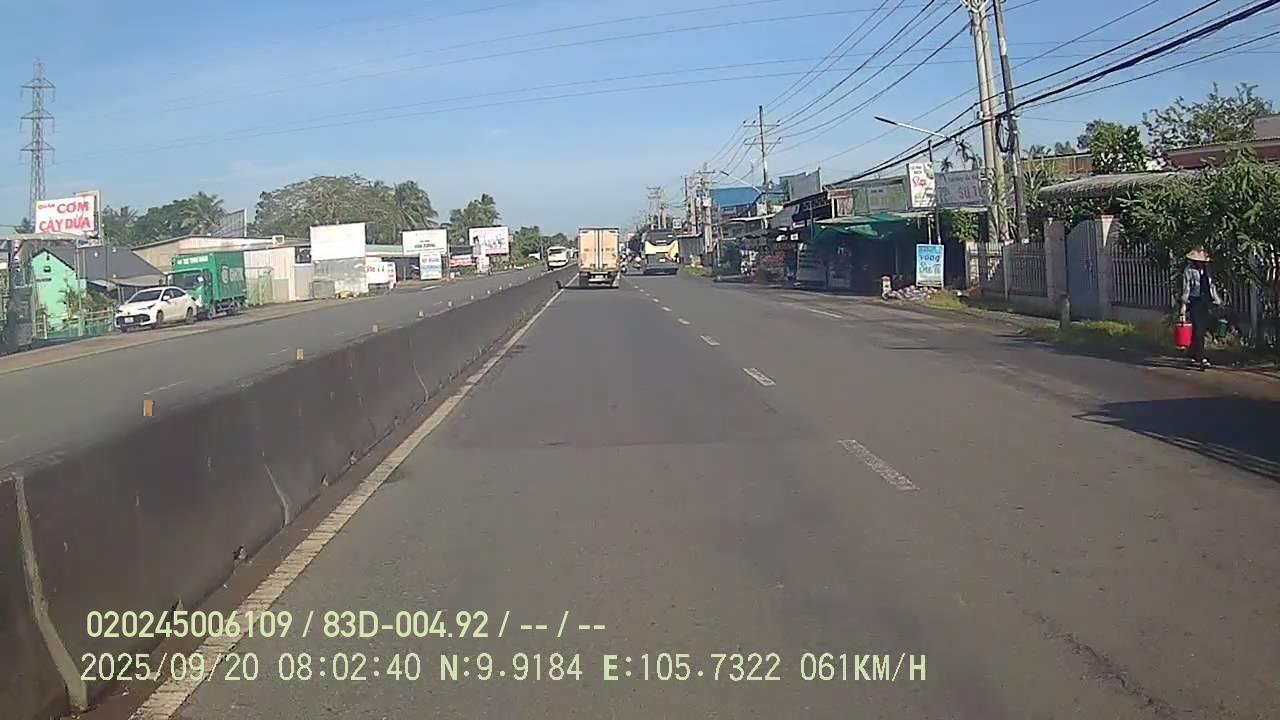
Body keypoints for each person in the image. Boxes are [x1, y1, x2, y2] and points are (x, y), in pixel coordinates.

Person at [1180, 247, 1222, 368]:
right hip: (1195, 302)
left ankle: (1193, 354)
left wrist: (1217, 300)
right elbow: (1186, 288)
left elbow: (1211, 286)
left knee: (1201, 330)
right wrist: (1183, 305)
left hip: (1206, 301)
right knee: (1198, 330)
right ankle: (1200, 356)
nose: (1200, 263)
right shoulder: (1189, 270)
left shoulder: (1207, 270)